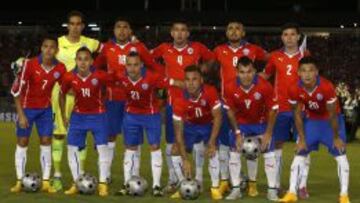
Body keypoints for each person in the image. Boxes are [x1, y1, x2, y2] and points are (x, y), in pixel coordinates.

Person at [93, 18, 161, 181]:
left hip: (136, 101)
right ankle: (106, 174)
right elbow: (95, 68)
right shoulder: (108, 48)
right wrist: (105, 82)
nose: (122, 30)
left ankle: (134, 175)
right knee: (110, 136)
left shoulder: (139, 47)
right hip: (113, 99)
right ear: (114, 30)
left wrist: (150, 87)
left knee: (134, 139)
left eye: (125, 27)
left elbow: (153, 68)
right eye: (118, 27)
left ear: (130, 31)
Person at [151, 20, 215, 192]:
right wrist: (167, 80)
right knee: (172, 144)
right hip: (173, 103)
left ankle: (199, 179)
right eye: (176, 30)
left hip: (195, 103)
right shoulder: (164, 48)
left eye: (183, 30)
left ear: (188, 33)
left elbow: (211, 59)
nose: (179, 34)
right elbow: (148, 60)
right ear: (171, 33)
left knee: (197, 143)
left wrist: (203, 69)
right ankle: (174, 180)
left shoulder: (198, 48)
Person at [279, 57, 350, 203]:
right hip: (311, 122)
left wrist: (336, 138)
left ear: (316, 72)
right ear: (298, 72)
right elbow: (297, 114)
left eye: (311, 70)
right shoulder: (293, 88)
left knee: (341, 156)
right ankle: (292, 192)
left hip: (330, 123)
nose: (307, 74)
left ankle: (344, 195)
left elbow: (332, 114)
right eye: (304, 70)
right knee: (299, 154)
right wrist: (302, 138)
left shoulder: (326, 86)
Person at [213, 21, 268, 194]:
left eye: (237, 28)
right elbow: (207, 66)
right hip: (226, 103)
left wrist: (262, 76)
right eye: (230, 28)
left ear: (243, 32)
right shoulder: (218, 50)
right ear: (226, 32)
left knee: (251, 145)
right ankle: (224, 180)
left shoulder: (254, 49)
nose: (234, 31)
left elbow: (272, 60)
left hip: (248, 105)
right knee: (224, 145)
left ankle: (252, 184)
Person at [51, 10, 100, 191]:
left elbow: (108, 53)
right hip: (59, 95)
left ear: (82, 26)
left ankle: (78, 177)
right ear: (68, 25)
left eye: (78, 24)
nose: (75, 27)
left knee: (80, 137)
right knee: (58, 134)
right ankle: (57, 176)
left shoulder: (91, 43)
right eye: (71, 23)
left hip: (83, 96)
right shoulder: (58, 43)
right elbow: (48, 61)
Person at [260, 23, 310, 197]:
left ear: (298, 37)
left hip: (301, 108)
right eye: (285, 34)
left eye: (292, 34)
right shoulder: (275, 57)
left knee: (303, 144)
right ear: (282, 38)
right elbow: (265, 76)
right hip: (279, 108)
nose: (289, 37)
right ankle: (277, 184)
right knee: (277, 145)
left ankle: (301, 185)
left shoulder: (305, 55)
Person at [10, 36, 66, 193]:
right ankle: (20, 180)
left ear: (57, 50)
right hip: (27, 109)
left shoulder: (60, 68)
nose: (48, 50)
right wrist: (21, 115)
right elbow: (16, 91)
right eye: (45, 46)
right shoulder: (29, 64)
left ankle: (46, 181)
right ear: (41, 48)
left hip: (45, 110)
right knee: (22, 141)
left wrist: (64, 114)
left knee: (47, 141)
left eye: (52, 47)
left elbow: (63, 91)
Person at [224, 56, 279, 200]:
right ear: (237, 72)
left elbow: (273, 110)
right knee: (234, 152)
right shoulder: (230, 86)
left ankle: (272, 189)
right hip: (241, 124)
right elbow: (229, 111)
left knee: (269, 153)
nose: (246, 76)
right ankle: (236, 189)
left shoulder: (264, 85)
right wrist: (236, 133)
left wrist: (268, 133)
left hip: (260, 124)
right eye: (242, 72)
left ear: (254, 71)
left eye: (249, 72)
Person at [59, 47, 111, 197]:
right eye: (80, 59)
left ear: (91, 61)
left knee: (102, 149)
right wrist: (64, 114)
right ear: (75, 61)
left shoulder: (100, 75)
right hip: (78, 117)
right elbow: (61, 95)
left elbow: (113, 86)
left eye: (86, 59)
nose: (83, 62)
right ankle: (76, 182)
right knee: (72, 149)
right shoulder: (69, 77)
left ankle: (102, 184)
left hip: (99, 116)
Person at [171, 65, 223, 200]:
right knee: (175, 150)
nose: (191, 83)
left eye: (194, 79)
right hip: (190, 126)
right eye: (187, 79)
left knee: (213, 150)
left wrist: (212, 142)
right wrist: (185, 159)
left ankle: (215, 187)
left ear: (201, 80)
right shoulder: (179, 99)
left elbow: (218, 116)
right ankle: (184, 185)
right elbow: (178, 133)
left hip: (208, 125)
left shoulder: (210, 91)